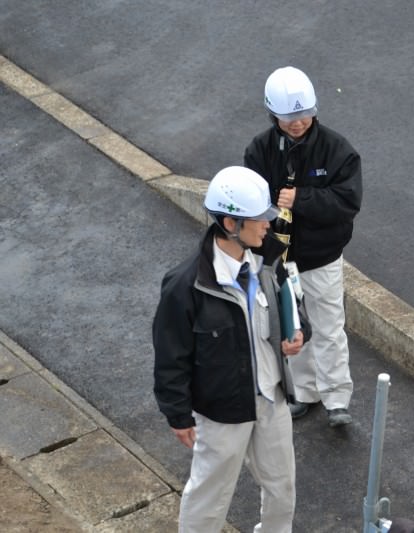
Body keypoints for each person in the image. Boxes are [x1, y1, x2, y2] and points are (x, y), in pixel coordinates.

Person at [152, 166, 309, 533]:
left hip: (272, 398)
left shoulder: (269, 262)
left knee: (283, 490)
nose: (268, 225)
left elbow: (295, 309)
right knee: (209, 498)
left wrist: (300, 332)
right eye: (259, 219)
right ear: (230, 223)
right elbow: (170, 355)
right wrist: (177, 414)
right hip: (222, 412)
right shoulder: (185, 285)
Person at [244, 66, 362, 427]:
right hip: (278, 259)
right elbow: (251, 201)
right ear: (273, 114)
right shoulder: (259, 151)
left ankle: (337, 399)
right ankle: (304, 392)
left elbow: (348, 202)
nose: (298, 123)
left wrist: (302, 199)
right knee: (291, 327)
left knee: (328, 327)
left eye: (304, 115)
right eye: (288, 117)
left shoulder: (338, 150)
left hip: (321, 257)